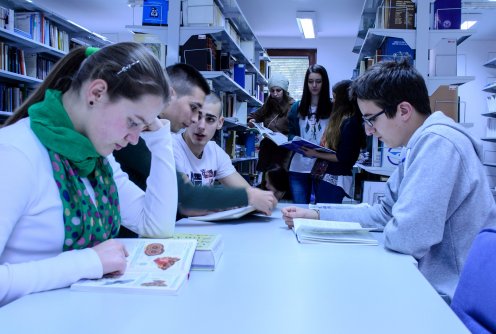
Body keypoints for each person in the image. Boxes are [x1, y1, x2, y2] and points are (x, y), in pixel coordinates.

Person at [282, 59, 496, 301]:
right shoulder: (417, 146)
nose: (368, 130)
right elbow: (383, 214)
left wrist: (394, 223)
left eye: (371, 118)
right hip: (424, 281)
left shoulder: (438, 143)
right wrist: (317, 215)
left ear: (404, 111)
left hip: (449, 298)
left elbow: (408, 237)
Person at [0, 42, 175, 306]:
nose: (135, 138)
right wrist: (87, 262)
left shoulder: (97, 158)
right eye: (133, 122)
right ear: (96, 93)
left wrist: (161, 139)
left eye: (144, 125)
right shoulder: (15, 154)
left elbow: (156, 226)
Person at [113, 64, 275, 224]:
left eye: (208, 118)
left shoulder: (155, 132)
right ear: (170, 95)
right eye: (193, 108)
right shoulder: (139, 137)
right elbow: (186, 194)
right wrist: (248, 197)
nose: (196, 121)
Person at [173, 93, 277, 216]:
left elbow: (249, 193)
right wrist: (244, 198)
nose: (201, 126)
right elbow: (190, 204)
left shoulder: (215, 152)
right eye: (197, 116)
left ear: (220, 123)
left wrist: (263, 199)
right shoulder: (171, 147)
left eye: (210, 119)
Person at [302, 80, 366, 204]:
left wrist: (314, 153)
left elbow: (342, 157)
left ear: (343, 100)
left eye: (335, 97)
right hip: (325, 176)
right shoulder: (341, 119)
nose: (333, 101)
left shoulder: (351, 124)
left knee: (326, 216)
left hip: (335, 180)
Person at [287, 64, 332, 203]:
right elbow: (291, 133)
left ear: (324, 83)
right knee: (300, 211)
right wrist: (293, 142)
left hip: (323, 168)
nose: (314, 85)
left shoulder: (332, 108)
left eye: (318, 81)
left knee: (322, 211)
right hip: (298, 167)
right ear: (306, 83)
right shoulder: (297, 107)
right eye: (310, 81)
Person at [248, 72, 295, 172]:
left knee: (279, 181)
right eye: (272, 91)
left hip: (284, 150)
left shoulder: (293, 106)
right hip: (268, 148)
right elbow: (254, 115)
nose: (275, 93)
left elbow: (296, 128)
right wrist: (251, 120)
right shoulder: (268, 104)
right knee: (266, 181)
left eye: (278, 90)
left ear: (285, 91)